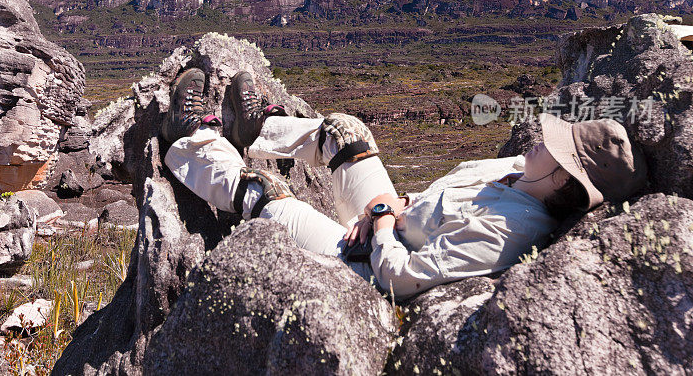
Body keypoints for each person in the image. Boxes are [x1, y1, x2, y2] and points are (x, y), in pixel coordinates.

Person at [162, 68, 648, 300]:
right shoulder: (521, 172)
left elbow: (402, 278)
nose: (540, 140)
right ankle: (253, 132)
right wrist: (395, 203)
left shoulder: (508, 232)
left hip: (364, 261)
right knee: (347, 132)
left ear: (563, 175)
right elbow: (442, 194)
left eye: (553, 146)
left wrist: (379, 227)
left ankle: (192, 138)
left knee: (266, 197)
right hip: (391, 215)